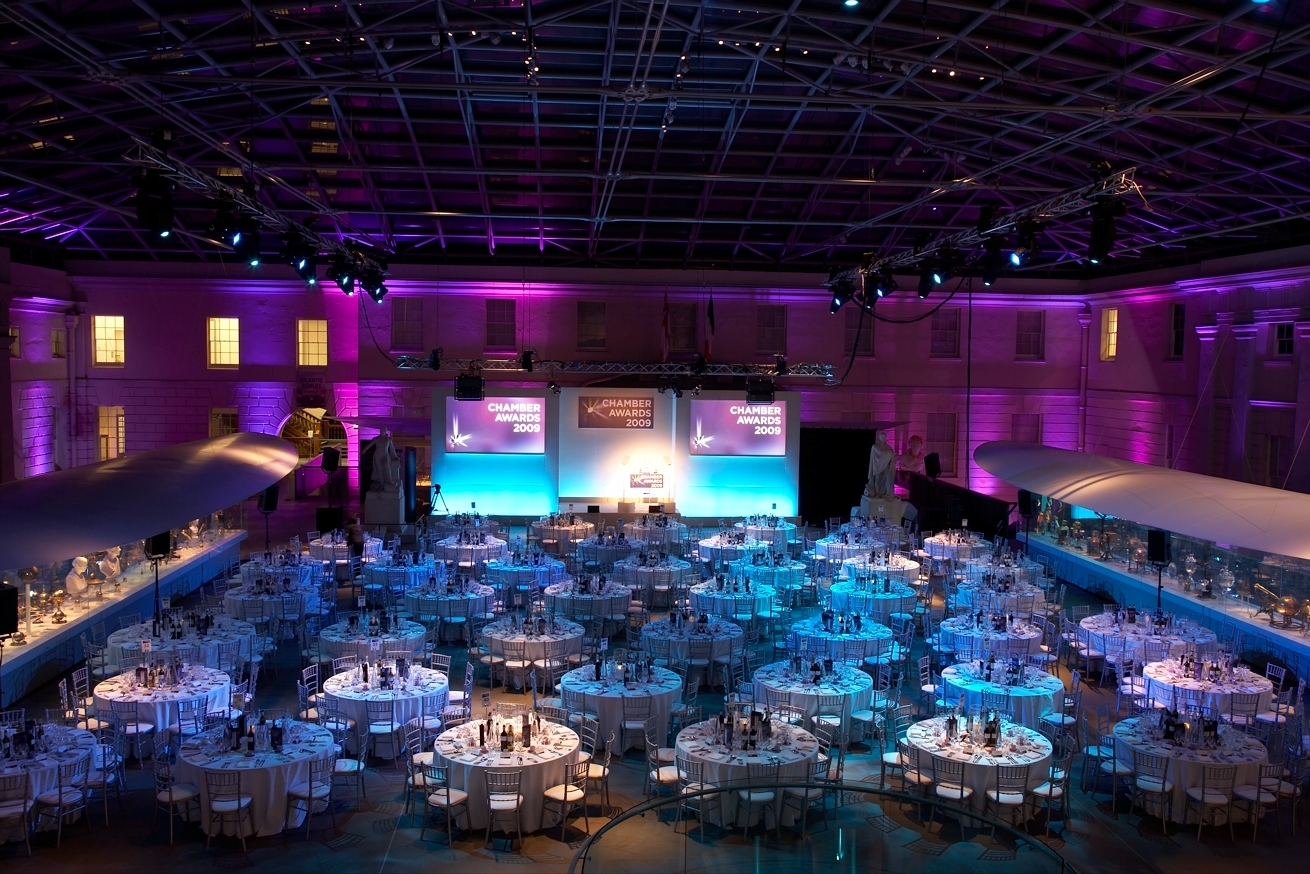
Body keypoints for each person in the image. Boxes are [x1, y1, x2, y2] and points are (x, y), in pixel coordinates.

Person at [864, 429, 897, 499]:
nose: (883, 439)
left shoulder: (888, 447)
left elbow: (891, 452)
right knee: (877, 479)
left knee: (889, 477)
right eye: (882, 437)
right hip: (877, 466)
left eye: (884, 437)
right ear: (879, 438)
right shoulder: (875, 446)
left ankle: (888, 493)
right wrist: (890, 453)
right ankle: (878, 493)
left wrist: (892, 454)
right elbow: (881, 453)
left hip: (885, 466)